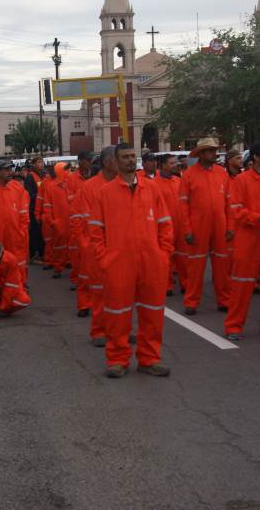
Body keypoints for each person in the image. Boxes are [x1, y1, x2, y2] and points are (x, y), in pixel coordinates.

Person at [89, 143, 174, 378]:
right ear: (115, 162)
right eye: (125, 157)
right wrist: (105, 259)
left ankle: (149, 359)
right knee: (117, 315)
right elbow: (95, 232)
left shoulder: (152, 189)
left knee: (153, 314)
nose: (129, 160)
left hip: (151, 262)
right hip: (118, 264)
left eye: (132, 156)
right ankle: (117, 359)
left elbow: (165, 224)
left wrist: (163, 254)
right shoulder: (104, 193)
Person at [224, 143, 260, 339]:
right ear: (256, 158)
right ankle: (234, 326)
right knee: (242, 284)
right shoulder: (241, 180)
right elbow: (236, 210)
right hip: (249, 238)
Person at [179, 137, 231, 315]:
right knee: (195, 266)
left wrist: (230, 227)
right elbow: (183, 205)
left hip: (220, 225)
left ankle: (224, 300)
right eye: (210, 151)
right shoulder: (188, 175)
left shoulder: (222, 173)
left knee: (222, 264)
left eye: (215, 150)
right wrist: (187, 229)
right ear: (201, 154)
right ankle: (191, 302)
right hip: (197, 225)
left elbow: (229, 203)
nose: (214, 154)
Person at [76, 147, 118, 344]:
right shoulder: (89, 187)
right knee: (100, 293)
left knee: (121, 293)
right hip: (98, 248)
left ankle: (120, 330)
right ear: (107, 162)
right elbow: (86, 220)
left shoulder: (124, 184)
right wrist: (91, 247)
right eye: (119, 158)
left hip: (122, 248)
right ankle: (99, 331)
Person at [155, 154, 188, 296]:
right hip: (164, 226)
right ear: (163, 165)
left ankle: (185, 284)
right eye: (172, 163)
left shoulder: (178, 181)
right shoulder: (154, 184)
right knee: (165, 257)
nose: (175, 165)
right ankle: (166, 284)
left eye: (175, 162)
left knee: (183, 256)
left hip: (181, 225)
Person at [66, 152, 92, 292]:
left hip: (92, 221)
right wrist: (85, 190)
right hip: (78, 220)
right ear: (81, 161)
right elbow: (69, 199)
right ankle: (76, 279)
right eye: (88, 160)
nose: (90, 162)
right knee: (77, 253)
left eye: (91, 160)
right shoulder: (72, 179)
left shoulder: (94, 175)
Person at [42, 162, 71, 279]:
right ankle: (58, 268)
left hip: (72, 221)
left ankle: (69, 262)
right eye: (65, 170)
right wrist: (52, 222)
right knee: (59, 246)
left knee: (72, 245)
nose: (68, 172)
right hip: (60, 222)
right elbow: (47, 206)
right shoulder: (51, 187)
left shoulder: (70, 184)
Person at [24, 157, 46, 263]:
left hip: (42, 208)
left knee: (41, 233)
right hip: (33, 209)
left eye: (42, 162)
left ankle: (41, 254)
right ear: (33, 164)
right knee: (34, 232)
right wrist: (40, 196)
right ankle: (33, 255)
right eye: (38, 162)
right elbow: (29, 194)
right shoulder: (30, 177)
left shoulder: (43, 176)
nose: (41, 164)